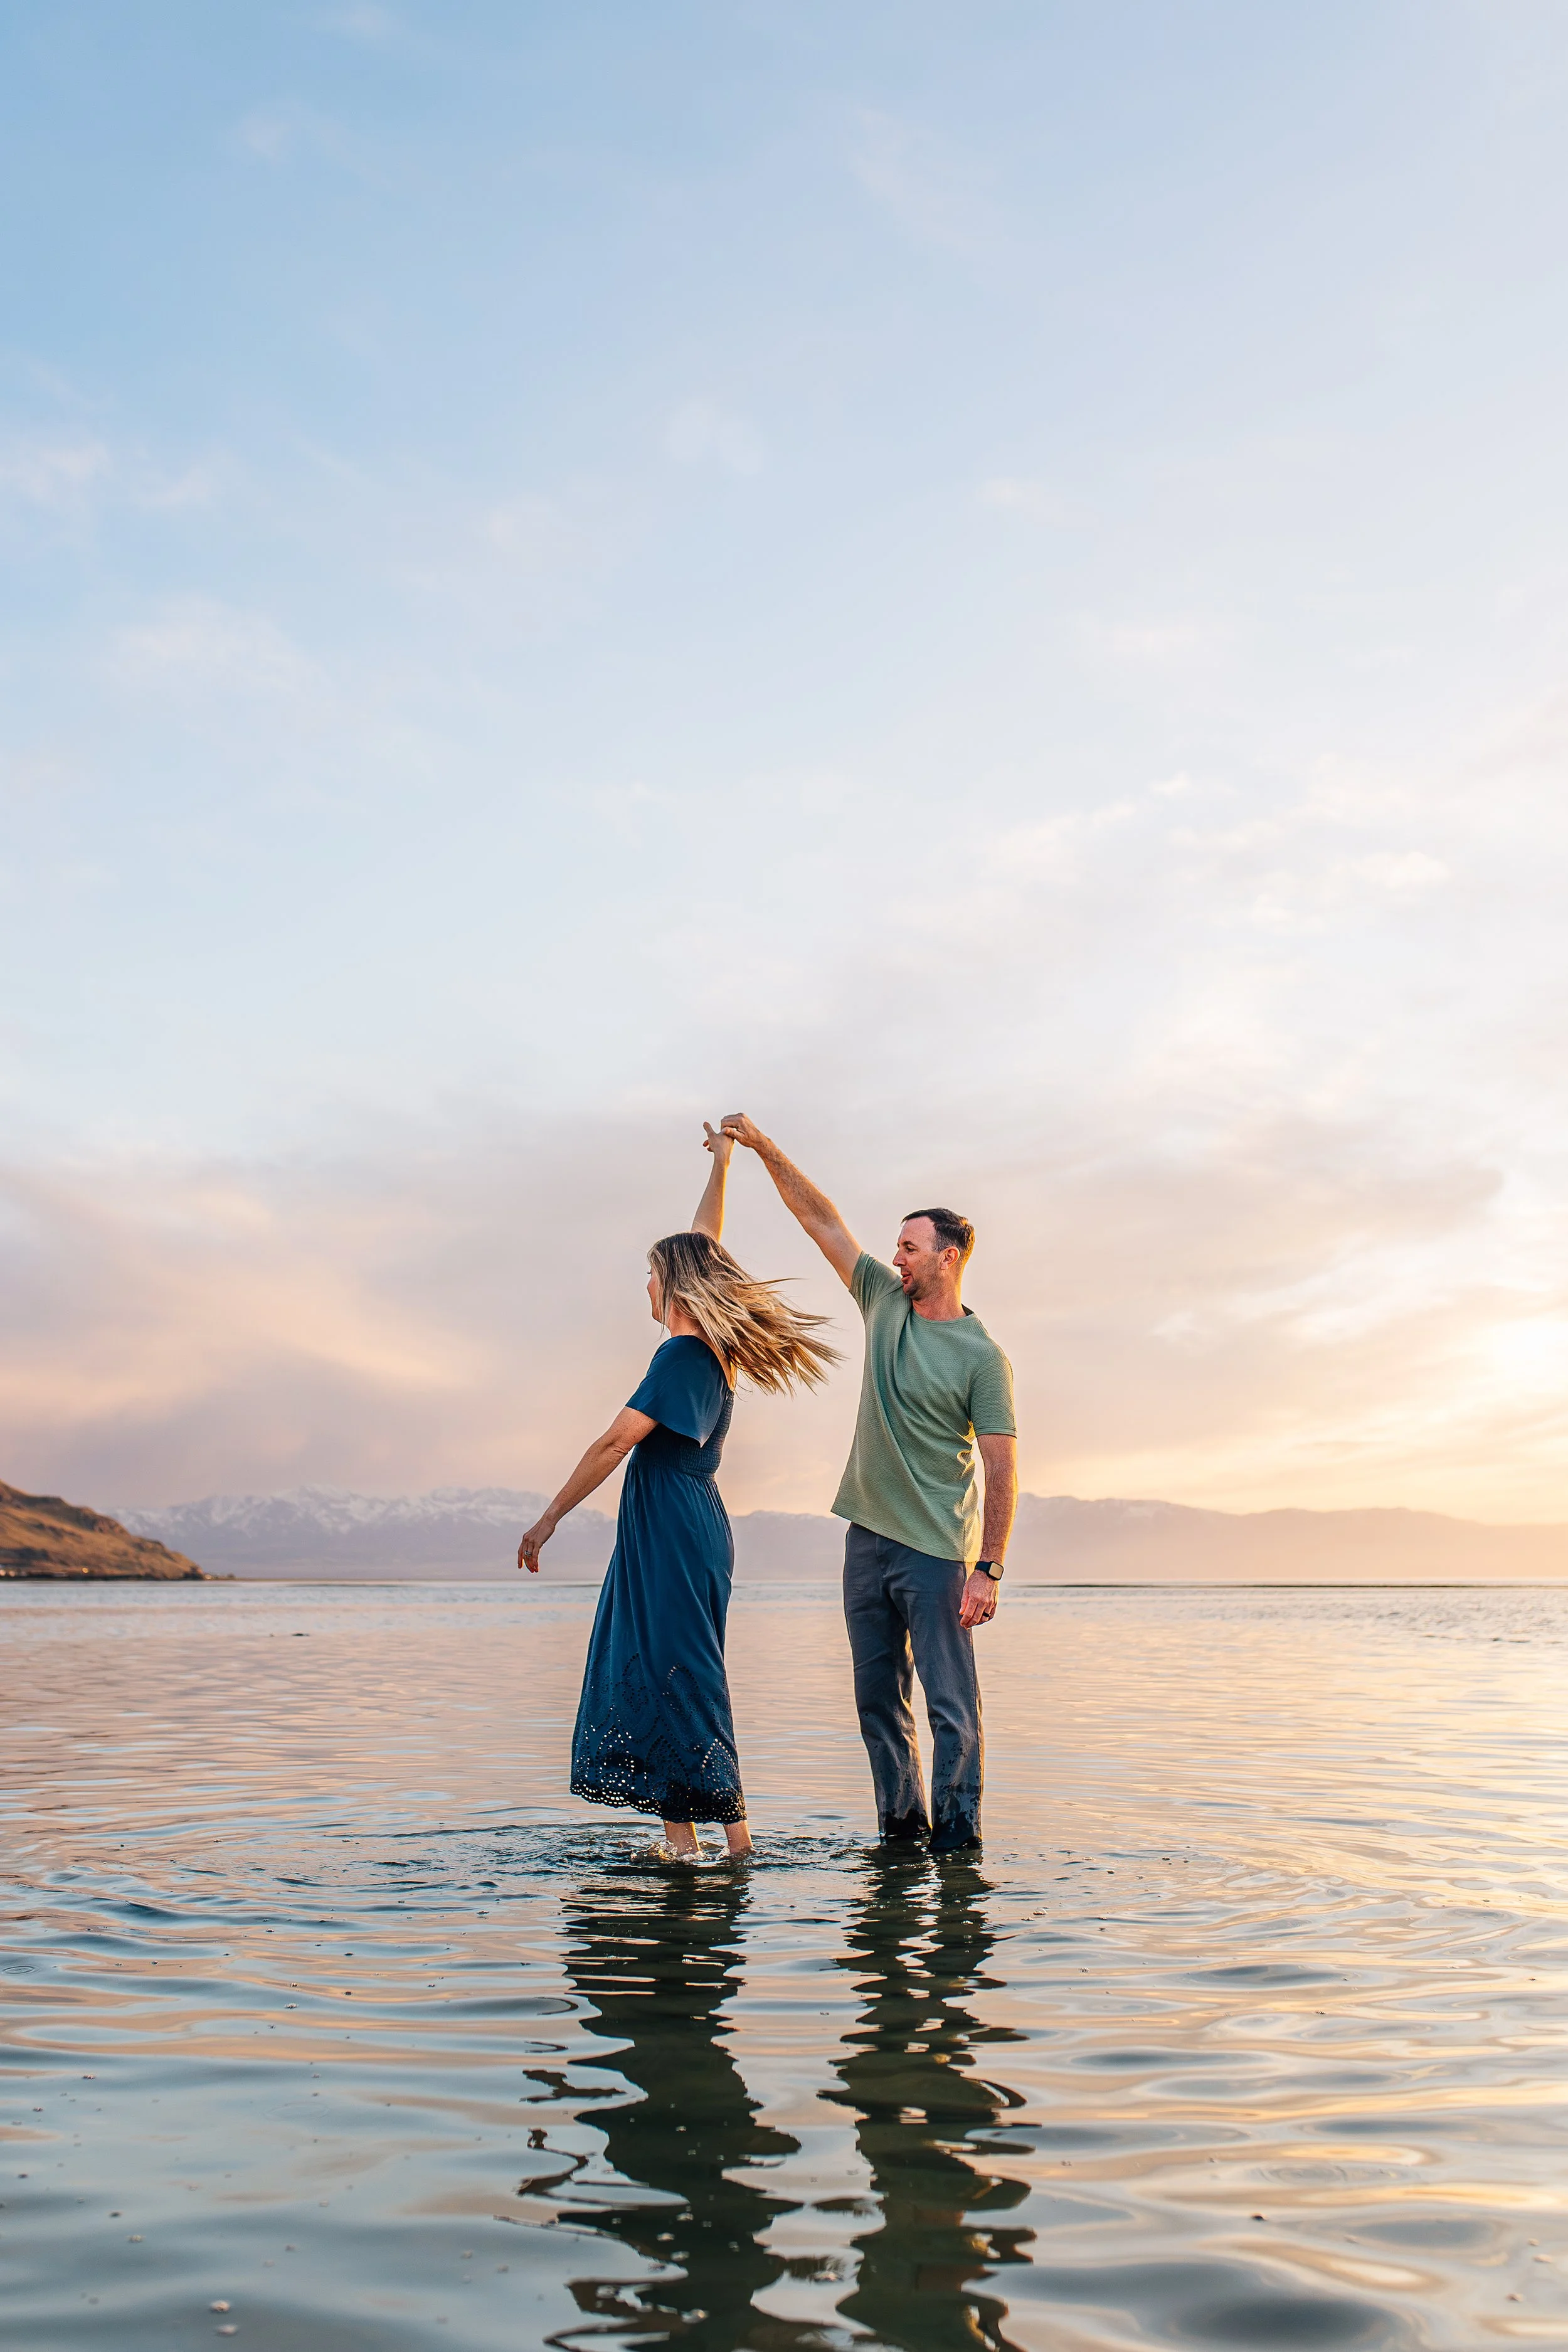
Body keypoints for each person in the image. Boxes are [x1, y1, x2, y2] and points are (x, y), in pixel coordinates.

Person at [519, 1125, 839, 1863]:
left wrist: (548, 1519)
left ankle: (738, 1850)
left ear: (675, 1286)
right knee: (662, 1669)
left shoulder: (683, 1354)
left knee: (683, 1672)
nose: (647, 1283)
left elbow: (613, 1442)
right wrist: (723, 1164)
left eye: (651, 1272)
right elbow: (704, 1238)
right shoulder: (707, 1348)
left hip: (674, 1528)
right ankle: (683, 1846)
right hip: (674, 1526)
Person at [719, 1115, 1016, 1855]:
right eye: (897, 1248)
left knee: (952, 1708)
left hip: (937, 1553)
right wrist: (762, 1148)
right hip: (867, 1545)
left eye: (910, 1248)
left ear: (947, 1259)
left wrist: (988, 1567)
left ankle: (957, 1846)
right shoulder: (884, 1301)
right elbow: (822, 1221)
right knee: (877, 1705)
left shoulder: (982, 1357)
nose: (896, 1257)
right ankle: (899, 1833)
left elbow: (1003, 1465)